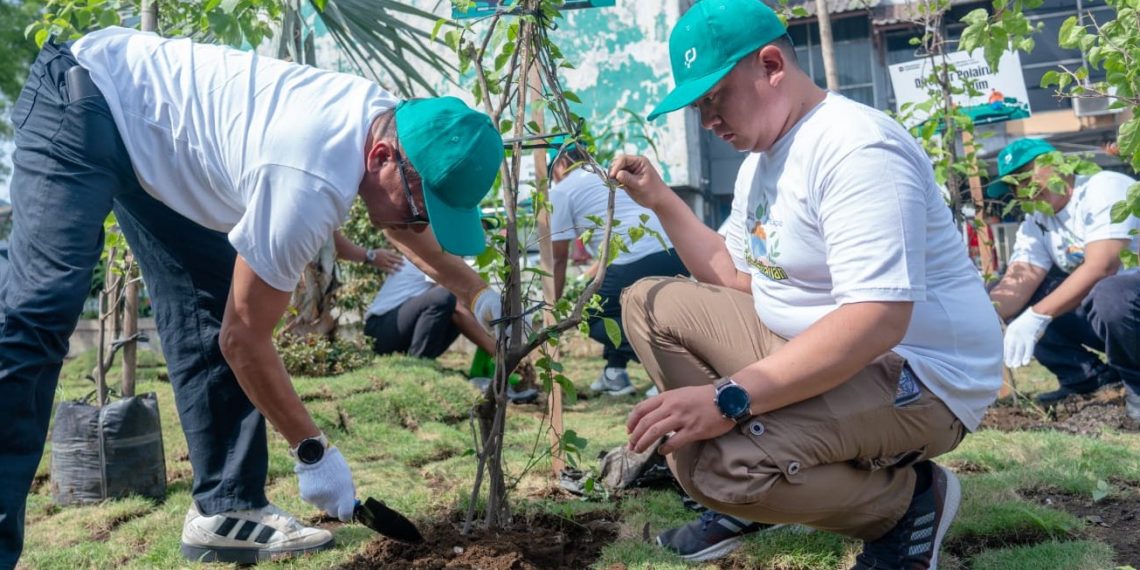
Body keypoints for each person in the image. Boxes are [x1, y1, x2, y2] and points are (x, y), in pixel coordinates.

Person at [0, 28, 507, 567]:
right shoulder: (310, 178)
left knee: (207, 298)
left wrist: (479, 295)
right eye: (423, 209)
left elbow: (397, 214)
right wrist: (313, 452)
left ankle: (227, 512)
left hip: (151, 135)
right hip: (81, 98)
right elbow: (243, 337)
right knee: (39, 311)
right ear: (381, 155)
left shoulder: (386, 122)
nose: (419, 225)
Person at [607, 1, 1002, 567]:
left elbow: (878, 319)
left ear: (771, 65)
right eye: (698, 107)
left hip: (920, 373)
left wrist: (727, 400)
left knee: (720, 468)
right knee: (650, 301)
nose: (707, 121)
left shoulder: (856, 148)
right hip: (822, 348)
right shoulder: (761, 161)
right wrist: (663, 201)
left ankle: (908, 504)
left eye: (713, 98)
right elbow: (734, 275)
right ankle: (764, 474)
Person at [986, 138, 1140, 416]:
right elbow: (1019, 282)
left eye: (1024, 176)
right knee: (1012, 297)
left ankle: (1138, 384)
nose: (1022, 190)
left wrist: (1037, 315)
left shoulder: (1102, 187)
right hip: (1110, 320)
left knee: (1109, 292)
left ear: (1055, 163)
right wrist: (979, 321)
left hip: (1129, 307)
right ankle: (1087, 378)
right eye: (1013, 185)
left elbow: (1102, 266)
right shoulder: (1037, 221)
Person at [547, 142, 689, 397]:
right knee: (616, 306)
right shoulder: (606, 175)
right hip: (674, 251)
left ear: (560, 164)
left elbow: (557, 258)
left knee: (589, 313)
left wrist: (552, 306)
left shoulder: (562, 191)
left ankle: (674, 368)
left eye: (552, 170)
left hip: (634, 258)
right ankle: (615, 374)